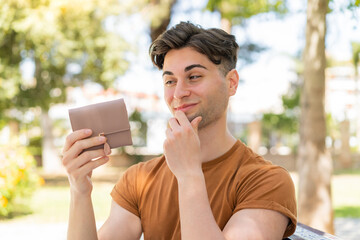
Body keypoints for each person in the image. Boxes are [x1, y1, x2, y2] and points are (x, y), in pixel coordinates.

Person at [62, 21, 297, 240]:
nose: (178, 93)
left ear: (231, 83)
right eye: (170, 81)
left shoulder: (267, 181)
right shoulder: (139, 180)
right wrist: (79, 190)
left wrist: (189, 175)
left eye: (194, 77)